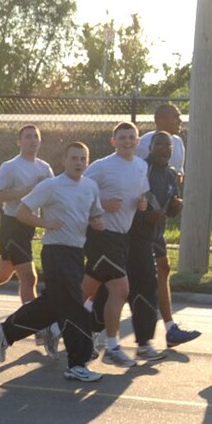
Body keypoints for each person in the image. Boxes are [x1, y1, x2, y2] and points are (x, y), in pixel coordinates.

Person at [0, 141, 108, 382]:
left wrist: (97, 223)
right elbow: (22, 211)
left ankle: (7, 330)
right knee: (76, 306)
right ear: (64, 161)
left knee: (53, 304)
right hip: (56, 252)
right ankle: (77, 363)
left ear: (87, 161)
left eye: (82, 159)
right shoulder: (51, 186)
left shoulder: (91, 187)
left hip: (76, 252)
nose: (78, 163)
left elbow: (95, 214)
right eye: (73, 158)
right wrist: (46, 224)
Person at [77, 122, 150, 367]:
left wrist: (142, 204)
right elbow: (78, 190)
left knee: (86, 290)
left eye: (131, 138)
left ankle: (55, 324)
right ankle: (112, 347)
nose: (127, 142)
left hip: (121, 237)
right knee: (121, 290)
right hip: (101, 235)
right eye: (122, 138)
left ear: (138, 142)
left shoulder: (141, 166)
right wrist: (103, 204)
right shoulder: (102, 166)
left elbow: (142, 195)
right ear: (113, 141)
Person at [135, 102, 200, 346]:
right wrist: (145, 212)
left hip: (156, 225)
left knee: (162, 268)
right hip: (135, 225)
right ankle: (75, 319)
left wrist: (173, 203)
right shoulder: (143, 143)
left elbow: (172, 178)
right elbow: (137, 181)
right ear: (160, 120)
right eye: (176, 117)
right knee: (113, 280)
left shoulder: (179, 144)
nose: (180, 121)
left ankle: (170, 329)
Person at [0, 124, 52, 303]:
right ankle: (32, 323)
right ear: (19, 142)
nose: (32, 140)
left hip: (29, 227)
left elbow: (54, 195)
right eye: (28, 137)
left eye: (35, 137)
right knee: (29, 277)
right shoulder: (11, 167)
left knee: (1, 275)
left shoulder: (45, 168)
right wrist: (22, 193)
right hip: (13, 227)